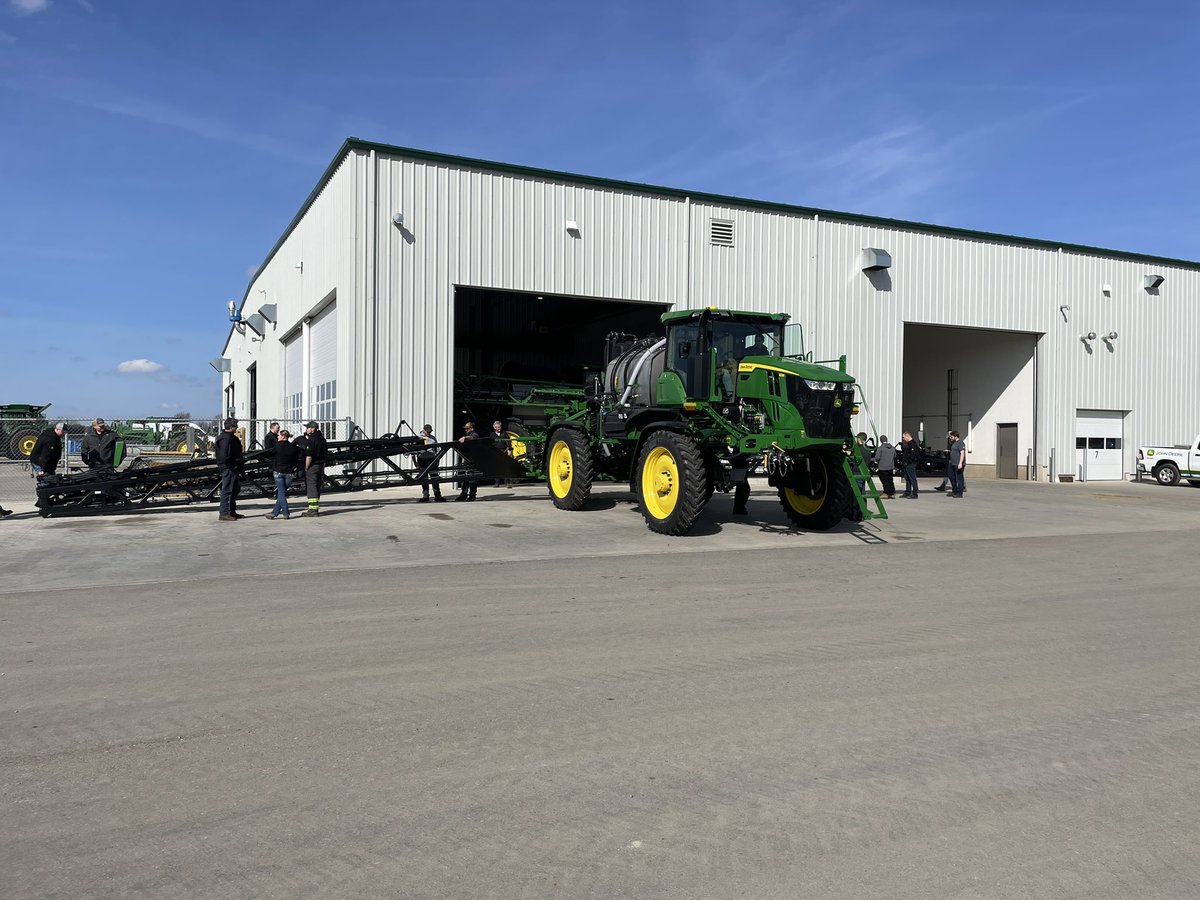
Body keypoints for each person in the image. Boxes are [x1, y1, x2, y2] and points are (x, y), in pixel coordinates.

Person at [215, 418, 244, 521]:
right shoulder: (226, 439)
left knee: (234, 490)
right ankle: (224, 513)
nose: (237, 428)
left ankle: (231, 511)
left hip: (233, 467)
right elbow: (224, 456)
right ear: (231, 427)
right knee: (227, 490)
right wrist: (231, 465)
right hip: (229, 468)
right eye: (235, 426)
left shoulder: (230, 437)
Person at [267, 430, 301, 519]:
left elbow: (270, 453)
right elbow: (298, 457)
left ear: (283, 436)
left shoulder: (277, 446)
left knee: (281, 493)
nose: (277, 437)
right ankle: (274, 513)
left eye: (279, 435)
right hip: (289, 473)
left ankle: (286, 513)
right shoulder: (293, 447)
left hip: (278, 471)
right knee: (282, 493)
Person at [302, 420, 328, 517]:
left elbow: (309, 455)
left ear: (312, 429)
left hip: (313, 466)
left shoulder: (312, 439)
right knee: (317, 486)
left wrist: (306, 467)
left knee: (311, 486)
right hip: (321, 466)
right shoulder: (322, 439)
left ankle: (312, 510)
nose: (306, 429)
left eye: (308, 427)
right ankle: (315, 508)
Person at [415, 424, 445, 502]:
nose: (429, 433)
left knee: (434, 477)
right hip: (422, 460)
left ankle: (437, 495)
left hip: (432, 460)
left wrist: (437, 460)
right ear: (424, 430)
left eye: (430, 431)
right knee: (424, 479)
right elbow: (414, 452)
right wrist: (415, 463)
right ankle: (425, 496)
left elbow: (437, 449)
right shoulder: (418, 438)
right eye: (427, 432)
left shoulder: (433, 438)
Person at [455, 420, 480, 501]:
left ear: (471, 428)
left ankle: (472, 495)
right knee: (464, 479)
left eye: (467, 428)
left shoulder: (474, 434)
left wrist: (465, 437)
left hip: (473, 460)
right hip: (466, 460)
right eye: (465, 428)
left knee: (472, 478)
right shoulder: (467, 434)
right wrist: (462, 461)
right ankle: (463, 494)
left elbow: (473, 438)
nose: (466, 430)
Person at [899, 431, 921, 498]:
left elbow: (912, 455)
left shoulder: (912, 444)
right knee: (907, 478)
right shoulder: (908, 444)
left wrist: (908, 462)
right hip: (907, 464)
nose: (903, 439)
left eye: (904, 437)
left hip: (911, 464)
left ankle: (915, 493)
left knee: (912, 478)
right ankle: (907, 492)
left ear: (907, 436)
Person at [874, 435, 897, 499]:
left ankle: (886, 493)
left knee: (884, 481)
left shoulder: (880, 448)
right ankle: (892, 493)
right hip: (890, 467)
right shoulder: (892, 448)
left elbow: (877, 457)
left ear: (881, 440)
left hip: (882, 467)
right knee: (890, 480)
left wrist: (875, 461)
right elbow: (895, 456)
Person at [946, 430, 966, 498]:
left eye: (951, 437)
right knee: (951, 477)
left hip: (958, 463)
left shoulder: (960, 443)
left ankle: (960, 493)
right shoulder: (953, 443)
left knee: (959, 479)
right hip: (952, 463)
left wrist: (960, 463)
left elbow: (962, 453)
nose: (950, 438)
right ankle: (955, 490)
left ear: (955, 436)